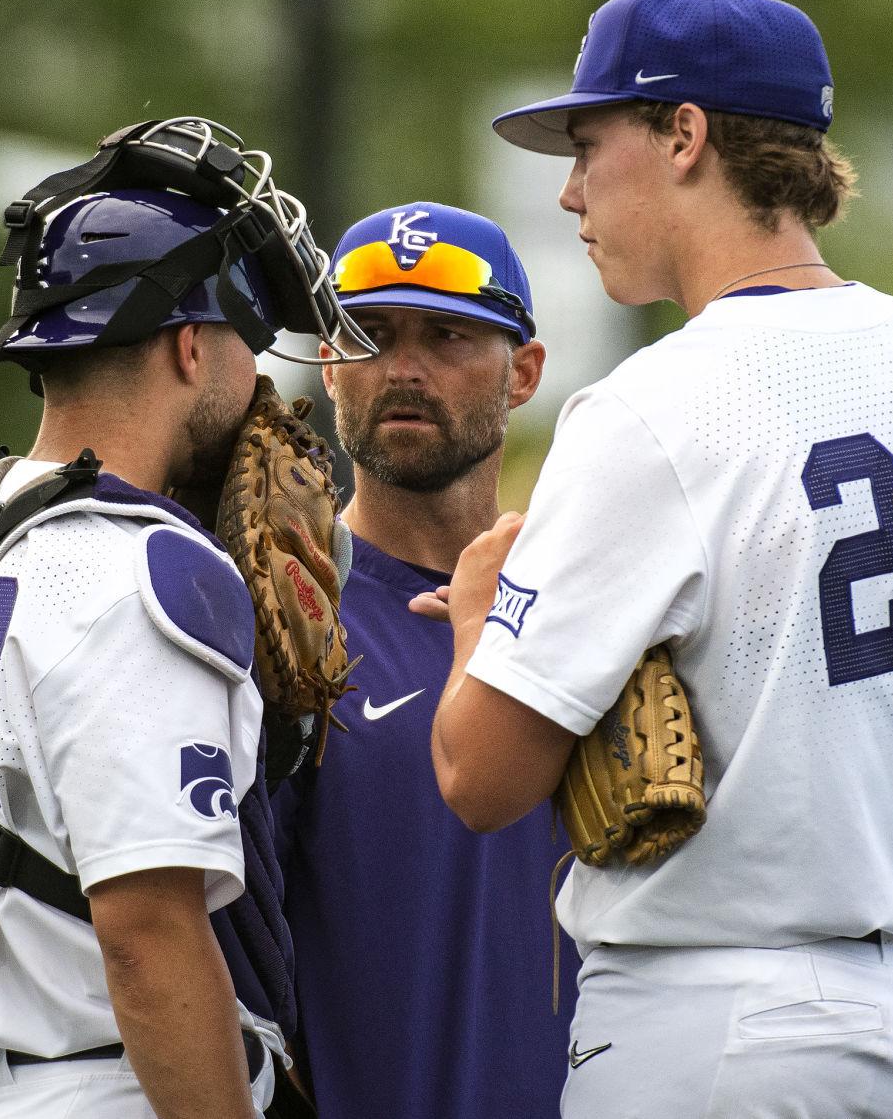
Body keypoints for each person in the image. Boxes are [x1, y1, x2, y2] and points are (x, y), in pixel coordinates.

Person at [424, 0, 893, 1117]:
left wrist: (477, 613)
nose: (565, 191)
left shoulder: (655, 406)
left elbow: (478, 777)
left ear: (684, 135)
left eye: (588, 140)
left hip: (719, 1021)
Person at [0, 117, 369, 1119]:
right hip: (119, 1079)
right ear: (191, 345)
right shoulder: (146, 561)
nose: (259, 388)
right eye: (245, 348)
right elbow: (145, 930)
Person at [273, 203, 563, 1118]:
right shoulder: (279, 625)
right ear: (327, 365)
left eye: (444, 334)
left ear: (523, 372)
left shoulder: (593, 611)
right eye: (368, 334)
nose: (402, 367)